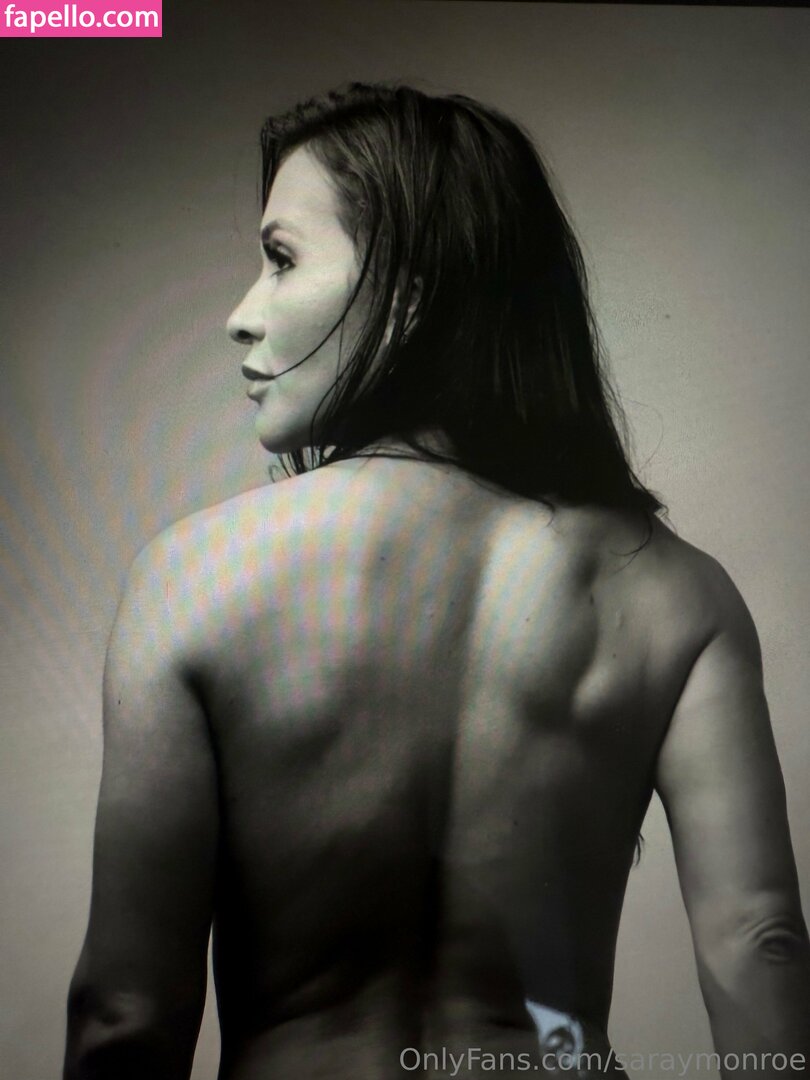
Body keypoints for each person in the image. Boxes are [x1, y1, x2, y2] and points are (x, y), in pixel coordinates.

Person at [64, 83, 810, 1080]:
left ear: (407, 296)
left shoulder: (192, 576)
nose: (241, 317)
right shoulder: (676, 595)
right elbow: (760, 940)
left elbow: (123, 1015)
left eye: (281, 259)